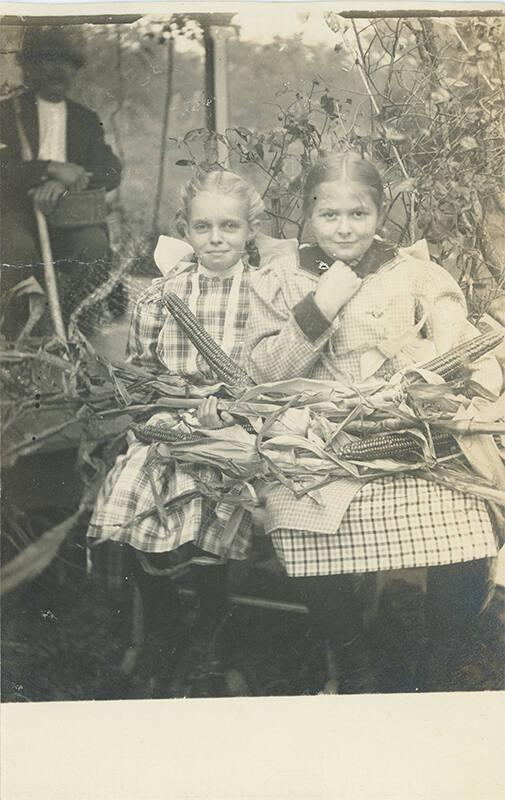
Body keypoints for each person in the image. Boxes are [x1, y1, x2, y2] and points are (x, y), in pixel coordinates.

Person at [245, 151, 503, 693]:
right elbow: (263, 371)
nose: (344, 228)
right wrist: (319, 307)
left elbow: (454, 343)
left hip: (408, 435)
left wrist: (436, 359)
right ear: (307, 216)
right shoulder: (281, 277)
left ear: (379, 214)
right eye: (329, 215)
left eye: (358, 215)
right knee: (299, 517)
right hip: (320, 440)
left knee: (465, 524)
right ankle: (354, 657)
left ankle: (436, 666)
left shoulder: (414, 272)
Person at [87, 169, 264, 694]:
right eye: (204, 226)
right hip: (167, 423)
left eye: (229, 227)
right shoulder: (160, 297)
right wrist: (156, 412)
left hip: (231, 429)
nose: (216, 238)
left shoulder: (261, 291)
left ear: (250, 232)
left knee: (204, 509)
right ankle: (165, 621)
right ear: (185, 229)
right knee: (131, 501)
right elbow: (141, 371)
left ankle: (214, 624)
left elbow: (271, 369)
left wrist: (232, 411)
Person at [0, 27, 122, 338]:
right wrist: (49, 169)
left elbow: (110, 171)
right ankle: (14, 337)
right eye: (48, 63)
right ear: (30, 68)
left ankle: (69, 330)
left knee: (93, 245)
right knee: (15, 248)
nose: (58, 72)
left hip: (72, 214)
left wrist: (67, 183)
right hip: (18, 212)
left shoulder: (84, 118)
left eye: (66, 65)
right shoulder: (8, 113)